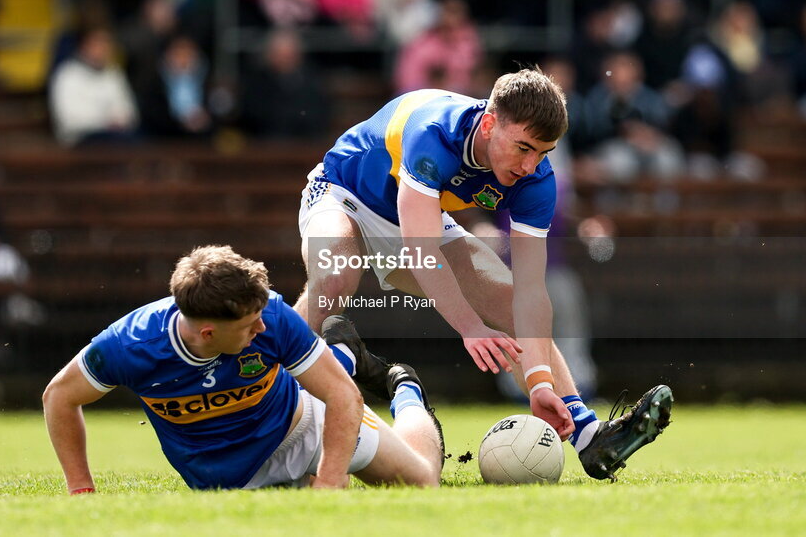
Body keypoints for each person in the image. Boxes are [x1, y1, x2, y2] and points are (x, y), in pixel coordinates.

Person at [295, 67, 672, 480]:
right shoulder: (434, 133)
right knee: (333, 279)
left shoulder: (536, 181)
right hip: (344, 193)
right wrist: (470, 326)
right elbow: (422, 251)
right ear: (490, 124)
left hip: (420, 212)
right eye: (524, 148)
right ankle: (261, 386)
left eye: (543, 153)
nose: (531, 165)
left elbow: (530, 291)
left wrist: (539, 379)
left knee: (504, 295)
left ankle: (587, 436)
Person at [43, 245, 443, 492]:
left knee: (423, 481)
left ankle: (403, 386)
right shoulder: (130, 345)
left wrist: (330, 478)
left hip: (302, 427)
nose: (263, 327)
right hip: (223, 479)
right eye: (249, 326)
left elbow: (343, 395)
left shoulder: (271, 313)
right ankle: (341, 354)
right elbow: (59, 397)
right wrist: (81, 490)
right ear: (209, 331)